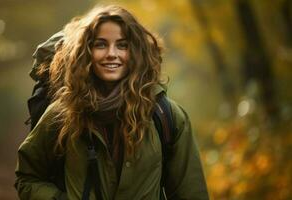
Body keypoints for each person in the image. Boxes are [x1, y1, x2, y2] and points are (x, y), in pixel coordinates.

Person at [15, 4, 209, 200]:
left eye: (122, 45)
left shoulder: (166, 116)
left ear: (135, 52)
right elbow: (27, 177)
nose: (111, 53)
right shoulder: (62, 114)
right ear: (87, 51)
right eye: (100, 44)